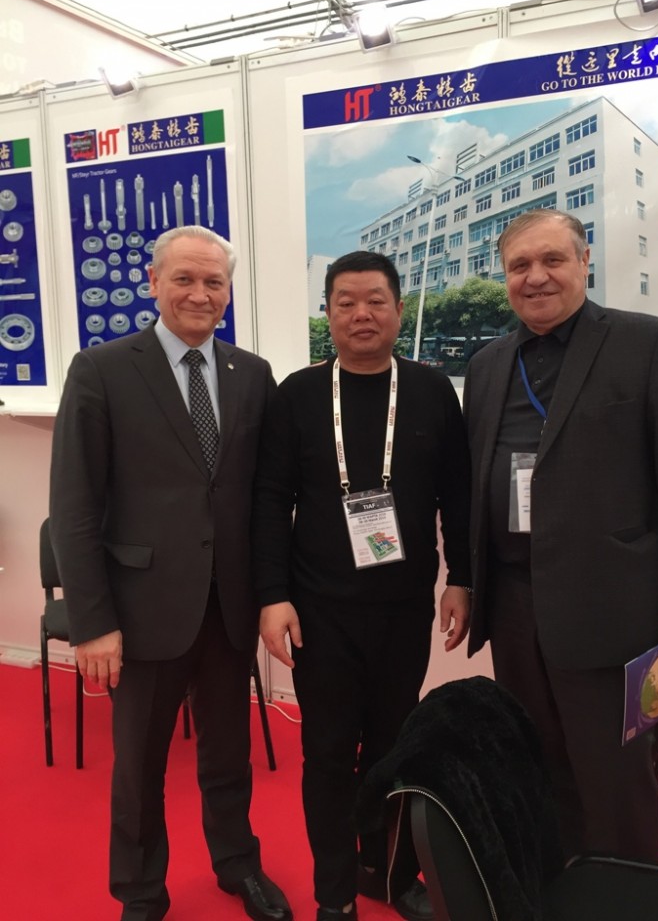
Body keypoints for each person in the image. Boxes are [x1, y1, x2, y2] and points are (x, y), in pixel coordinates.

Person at [463, 208, 658, 862]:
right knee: (537, 763)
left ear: (584, 262)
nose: (536, 277)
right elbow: (474, 482)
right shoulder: (488, 364)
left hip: (613, 607)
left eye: (553, 259)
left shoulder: (648, 343)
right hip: (515, 607)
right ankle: (559, 886)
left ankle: (625, 893)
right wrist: (465, 581)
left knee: (617, 779)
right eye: (520, 265)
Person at [49, 225, 291, 921]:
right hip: (141, 607)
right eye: (184, 278)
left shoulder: (252, 374)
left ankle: (237, 864)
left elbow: (262, 498)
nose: (199, 293)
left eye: (214, 282)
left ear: (228, 292)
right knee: (141, 765)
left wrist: (270, 594)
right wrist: (93, 622)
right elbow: (74, 507)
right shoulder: (101, 370)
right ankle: (140, 890)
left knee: (229, 754)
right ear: (154, 282)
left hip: (229, 605)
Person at [252, 251, 472, 921]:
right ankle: (336, 892)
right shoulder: (298, 394)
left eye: (375, 300)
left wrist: (461, 578)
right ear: (327, 313)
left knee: (393, 748)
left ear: (399, 309)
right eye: (345, 302)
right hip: (319, 611)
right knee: (326, 755)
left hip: (404, 608)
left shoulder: (431, 390)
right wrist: (272, 595)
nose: (361, 314)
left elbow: (457, 496)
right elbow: (270, 500)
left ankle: (388, 872)